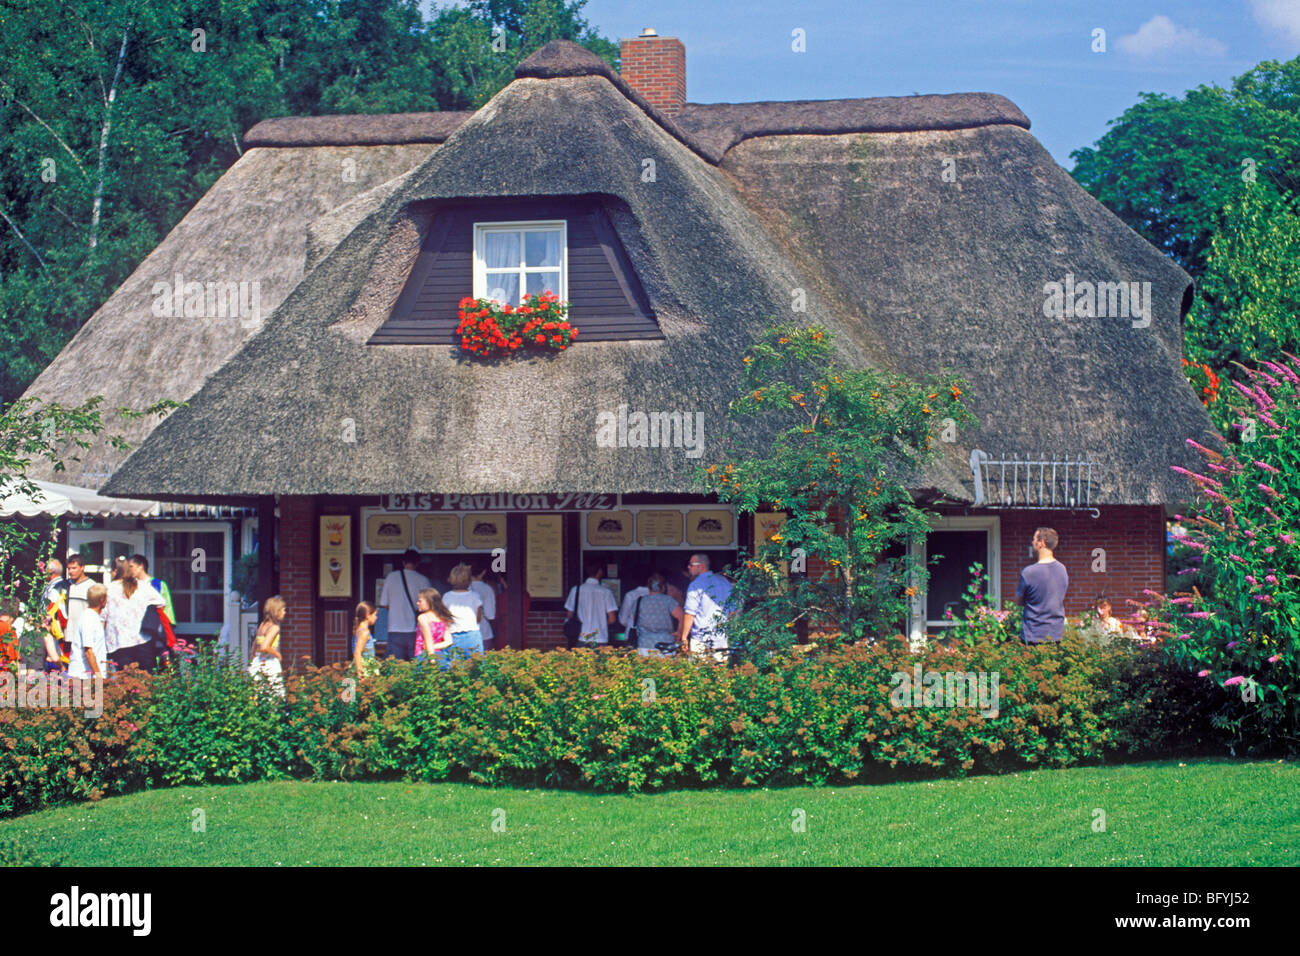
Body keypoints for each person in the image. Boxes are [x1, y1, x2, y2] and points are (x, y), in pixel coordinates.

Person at [105, 557, 166, 672]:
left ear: (115, 570)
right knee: (147, 681)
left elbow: (103, 615)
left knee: (124, 683)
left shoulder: (109, 588)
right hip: (142, 639)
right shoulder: (143, 586)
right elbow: (161, 602)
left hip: (119, 642)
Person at [1013, 527, 1069, 644]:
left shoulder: (1028, 572)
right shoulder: (1062, 569)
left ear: (1041, 542)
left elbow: (1018, 602)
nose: (1032, 542)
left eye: (1034, 539)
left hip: (1033, 636)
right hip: (1056, 635)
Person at [378, 549, 431, 661]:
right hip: (415, 630)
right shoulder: (423, 580)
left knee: (396, 668)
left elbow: (384, 604)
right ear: (418, 563)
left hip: (394, 628)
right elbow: (429, 607)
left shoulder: (391, 577)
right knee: (416, 666)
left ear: (403, 562)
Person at [679, 554, 733, 661]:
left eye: (691, 565)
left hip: (700, 639)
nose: (688, 567)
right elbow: (732, 610)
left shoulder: (696, 585)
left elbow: (690, 613)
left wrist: (684, 637)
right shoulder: (724, 582)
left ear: (701, 566)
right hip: (721, 637)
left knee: (699, 674)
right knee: (720, 673)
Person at [564, 560, 619, 648]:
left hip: (580, 636)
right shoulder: (606, 592)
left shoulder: (576, 590)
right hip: (600, 637)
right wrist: (601, 624)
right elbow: (612, 619)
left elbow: (569, 615)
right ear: (600, 572)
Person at [442, 563, 485, 660]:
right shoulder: (475, 596)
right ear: (469, 580)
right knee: (476, 668)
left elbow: (444, 618)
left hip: (453, 635)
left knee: (454, 668)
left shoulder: (446, 596)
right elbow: (479, 618)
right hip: (472, 635)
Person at [68, 584, 108, 679]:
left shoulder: (94, 617)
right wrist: (99, 676)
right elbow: (88, 651)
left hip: (89, 675)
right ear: (102, 600)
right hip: (82, 675)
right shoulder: (88, 619)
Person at [632, 573, 679, 656]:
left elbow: (634, 619)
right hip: (666, 644)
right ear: (663, 587)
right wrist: (679, 633)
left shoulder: (639, 601)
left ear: (648, 587)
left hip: (644, 643)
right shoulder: (669, 601)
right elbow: (681, 617)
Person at [248, 595, 286, 696]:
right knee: (275, 693)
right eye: (283, 610)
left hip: (258, 661)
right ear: (276, 611)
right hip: (270, 662)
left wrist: (252, 657)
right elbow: (264, 647)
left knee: (258, 692)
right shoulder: (274, 627)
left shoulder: (262, 625)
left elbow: (255, 643)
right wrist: (277, 654)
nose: (284, 613)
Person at [128, 554, 176, 626]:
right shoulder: (130, 585)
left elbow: (167, 608)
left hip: (153, 626)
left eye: (131, 566)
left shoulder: (158, 584)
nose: (129, 570)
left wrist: (168, 626)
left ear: (141, 566)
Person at [416, 588, 455, 664]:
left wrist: (432, 659)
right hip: (441, 656)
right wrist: (435, 646)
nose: (417, 603)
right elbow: (449, 641)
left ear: (429, 602)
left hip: (425, 655)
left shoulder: (423, 617)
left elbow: (428, 639)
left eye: (420, 601)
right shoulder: (442, 618)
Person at [64, 553, 95, 641]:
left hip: (84, 635)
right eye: (69, 569)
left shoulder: (91, 586)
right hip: (67, 635)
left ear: (82, 567)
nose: (70, 571)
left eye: (74, 568)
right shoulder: (65, 585)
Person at [470, 566, 498, 650]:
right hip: (483, 631)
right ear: (483, 572)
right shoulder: (487, 589)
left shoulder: (462, 589)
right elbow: (490, 615)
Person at [351, 601, 379, 675]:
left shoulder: (358, 630)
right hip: (365, 668)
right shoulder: (364, 632)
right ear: (367, 615)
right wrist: (361, 674)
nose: (376, 617)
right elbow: (357, 652)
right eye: (375, 615)